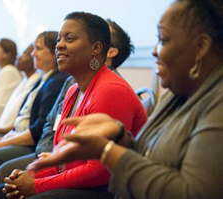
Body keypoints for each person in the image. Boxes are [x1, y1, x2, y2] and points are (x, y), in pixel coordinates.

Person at [27, 1, 223, 199]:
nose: (154, 51)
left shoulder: (217, 104)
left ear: (201, 47)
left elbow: (192, 193)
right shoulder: (177, 94)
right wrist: (120, 135)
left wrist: (107, 150)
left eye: (163, 40)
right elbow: (147, 155)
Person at [1, 12, 147, 199]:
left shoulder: (110, 90)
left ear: (96, 48)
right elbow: (62, 156)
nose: (59, 45)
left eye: (69, 39)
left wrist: (37, 185)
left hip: (108, 189)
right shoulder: (73, 90)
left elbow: (100, 171)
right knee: (3, 191)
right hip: (78, 180)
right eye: (59, 39)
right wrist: (31, 175)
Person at [0, 31, 68, 199]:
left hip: (36, 145)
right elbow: (25, 119)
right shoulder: (45, 79)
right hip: (30, 139)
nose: (32, 53)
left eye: (37, 49)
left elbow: (39, 129)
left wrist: (6, 139)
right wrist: (5, 136)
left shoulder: (57, 81)